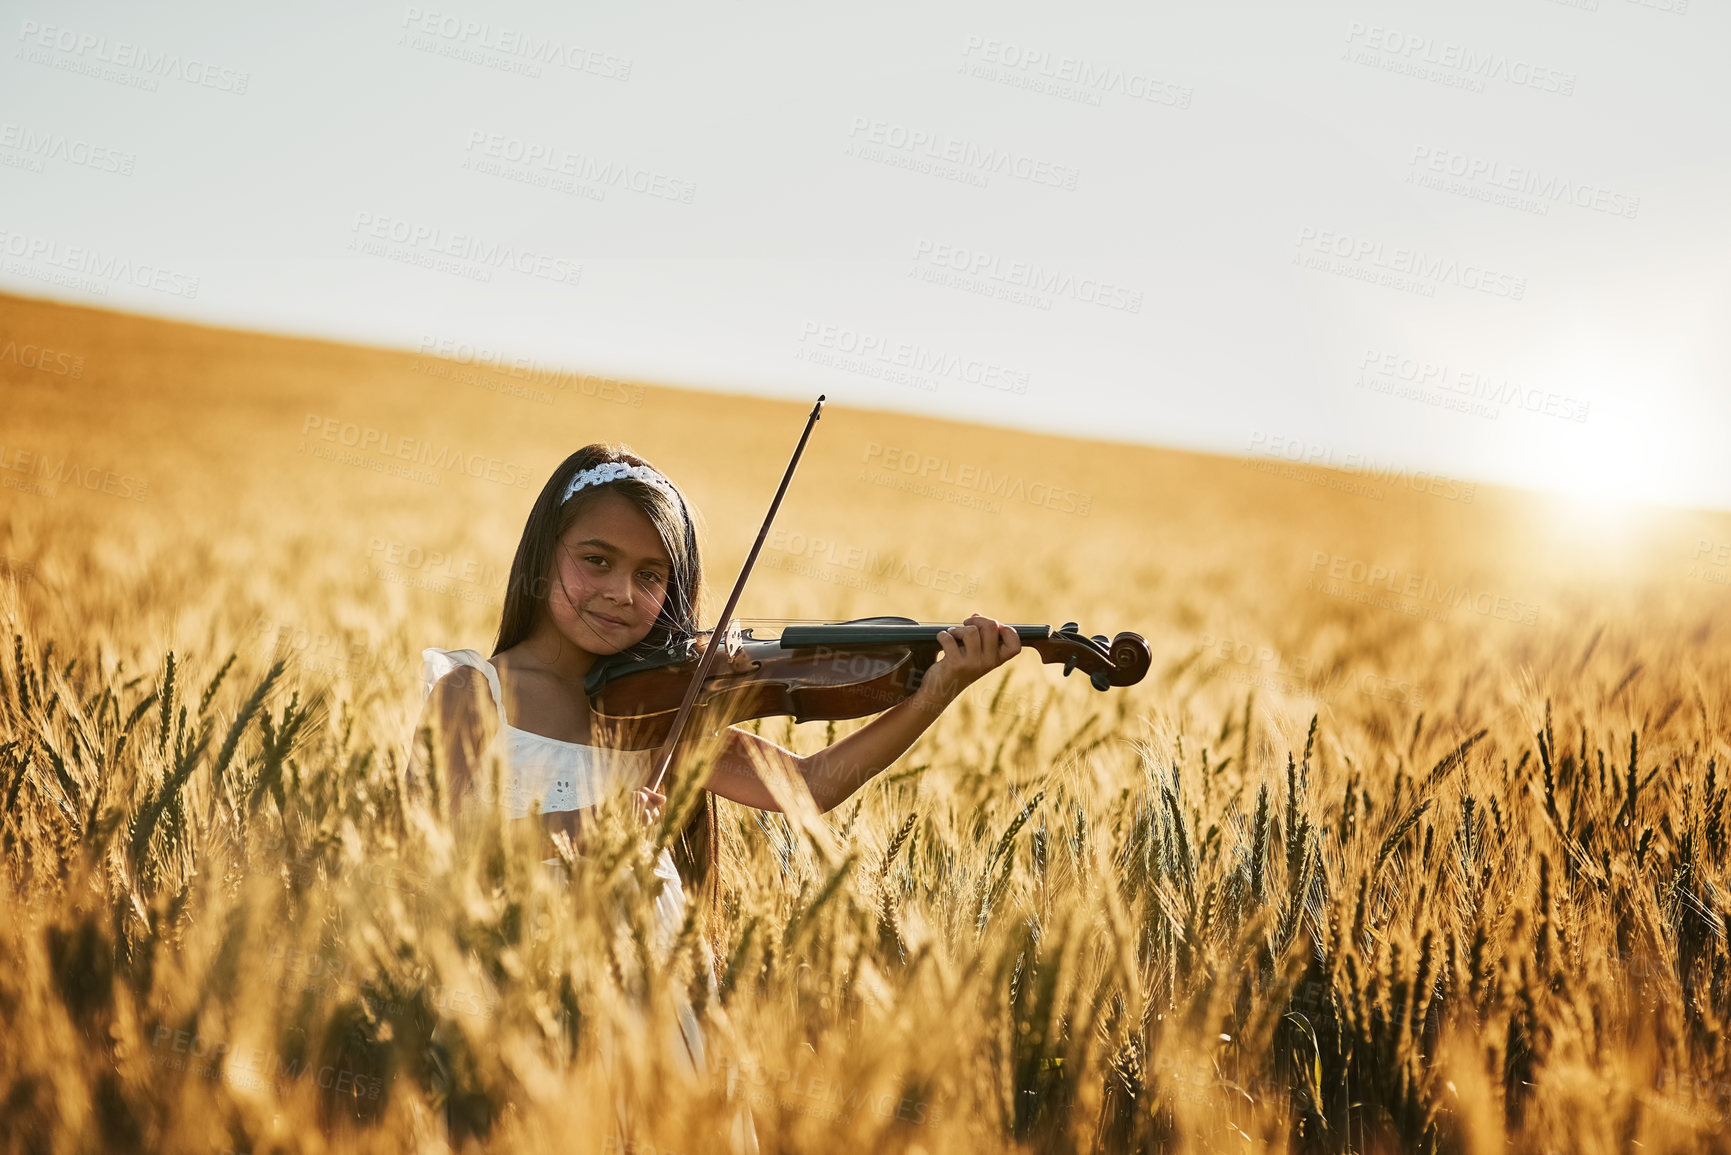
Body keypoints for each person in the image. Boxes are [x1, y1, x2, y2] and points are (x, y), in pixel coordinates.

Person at [410, 442, 1021, 1144]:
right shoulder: (474, 690)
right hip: (514, 980)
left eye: (651, 575)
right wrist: (582, 825)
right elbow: (437, 842)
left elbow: (809, 785)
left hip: (653, 984)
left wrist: (937, 691)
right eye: (596, 560)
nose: (621, 593)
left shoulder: (657, 712)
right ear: (544, 554)